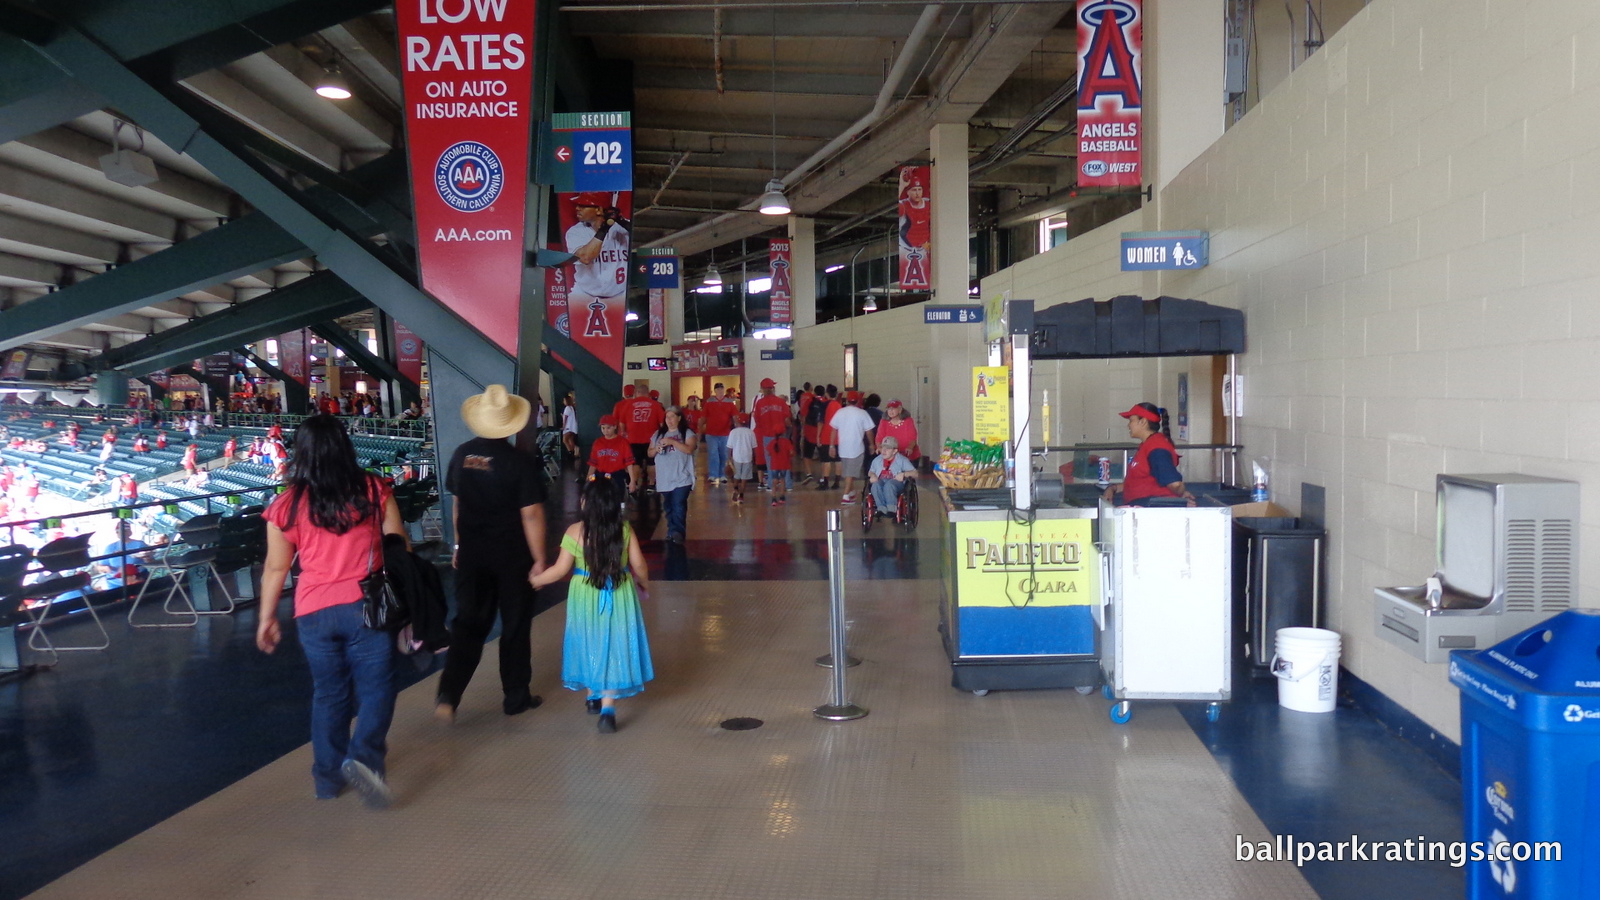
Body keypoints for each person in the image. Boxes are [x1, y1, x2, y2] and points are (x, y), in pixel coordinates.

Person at [256, 415, 406, 808]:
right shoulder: (373, 489)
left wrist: (266, 617)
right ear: (344, 446)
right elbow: (398, 543)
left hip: (313, 612)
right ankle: (364, 760)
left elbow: (276, 568)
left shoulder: (284, 506)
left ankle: (326, 779)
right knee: (376, 690)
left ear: (300, 452)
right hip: (366, 606)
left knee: (329, 695)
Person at [435, 385, 550, 723]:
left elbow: (456, 504)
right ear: (510, 424)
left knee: (468, 622)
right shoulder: (518, 462)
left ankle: (449, 694)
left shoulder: (461, 455)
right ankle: (515, 697)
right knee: (514, 624)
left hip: (472, 554)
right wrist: (540, 559)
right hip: (512, 557)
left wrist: (459, 544)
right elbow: (531, 514)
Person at [530, 476, 652, 734]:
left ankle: (592, 696)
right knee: (613, 642)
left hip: (584, 593)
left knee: (588, 639)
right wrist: (643, 583)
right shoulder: (624, 529)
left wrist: (536, 580)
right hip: (619, 590)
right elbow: (639, 564)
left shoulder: (574, 531)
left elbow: (559, 570)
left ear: (586, 502)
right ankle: (608, 708)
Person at [564, 192, 630, 349]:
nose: (577, 208)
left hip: (619, 296)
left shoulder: (623, 228)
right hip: (584, 295)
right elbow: (586, 257)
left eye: (583, 205)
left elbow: (643, 238)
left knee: (614, 348)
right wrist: (604, 229)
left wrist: (619, 220)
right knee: (576, 344)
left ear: (599, 210)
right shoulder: (576, 232)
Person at [1102, 403, 1196, 506]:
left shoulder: (1157, 447)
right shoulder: (1147, 444)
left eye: (1131, 421)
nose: (1128, 425)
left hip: (1153, 513)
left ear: (1143, 422)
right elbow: (1140, 482)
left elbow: (1175, 484)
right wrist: (1113, 488)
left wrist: (1181, 495)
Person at [648, 405, 698, 543]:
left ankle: (678, 533)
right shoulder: (658, 434)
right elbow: (649, 452)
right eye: (667, 417)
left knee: (679, 504)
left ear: (679, 418)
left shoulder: (687, 433)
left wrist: (672, 442)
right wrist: (657, 449)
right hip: (664, 477)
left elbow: (689, 449)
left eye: (672, 417)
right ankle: (671, 530)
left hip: (682, 477)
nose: (669, 420)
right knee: (668, 506)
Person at [829, 391, 876, 505]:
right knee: (851, 473)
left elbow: (833, 430)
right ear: (858, 400)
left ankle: (851, 493)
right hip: (857, 448)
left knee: (849, 472)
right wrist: (871, 444)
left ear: (847, 400)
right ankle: (845, 496)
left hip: (843, 448)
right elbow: (869, 431)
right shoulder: (862, 413)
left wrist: (831, 446)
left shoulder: (840, 412)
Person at [751, 377, 789, 491]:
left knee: (769, 461)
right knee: (783, 459)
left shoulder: (760, 403)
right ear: (772, 388)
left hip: (767, 435)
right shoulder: (781, 402)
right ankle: (786, 483)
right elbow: (787, 419)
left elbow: (757, 420)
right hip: (780, 435)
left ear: (762, 389)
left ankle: (771, 484)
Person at [867, 436, 917, 516]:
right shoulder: (877, 460)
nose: (884, 451)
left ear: (895, 451)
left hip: (896, 484)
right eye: (882, 447)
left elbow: (915, 473)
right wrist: (873, 475)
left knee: (889, 485)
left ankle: (891, 508)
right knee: (875, 485)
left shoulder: (902, 460)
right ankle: (881, 508)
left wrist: (904, 474)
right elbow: (871, 471)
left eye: (888, 448)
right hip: (881, 481)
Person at [701, 382, 736, 485]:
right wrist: (699, 429)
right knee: (713, 454)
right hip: (711, 433)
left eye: (722, 389)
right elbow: (704, 417)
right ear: (715, 391)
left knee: (724, 455)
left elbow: (734, 416)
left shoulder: (729, 402)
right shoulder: (709, 402)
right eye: (718, 389)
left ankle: (722, 475)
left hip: (725, 433)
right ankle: (713, 474)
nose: (720, 391)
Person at [587, 415, 632, 492]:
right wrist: (588, 479)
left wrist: (632, 481)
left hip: (617, 475)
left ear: (615, 427)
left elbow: (629, 463)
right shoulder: (598, 442)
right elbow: (593, 463)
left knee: (618, 498)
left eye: (608, 428)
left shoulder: (622, 442)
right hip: (601, 475)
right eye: (603, 428)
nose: (605, 431)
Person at [813, 385, 841, 490]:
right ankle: (837, 483)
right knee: (838, 460)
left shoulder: (824, 405)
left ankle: (825, 483)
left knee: (826, 461)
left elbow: (821, 422)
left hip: (826, 436)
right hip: (838, 437)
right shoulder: (839, 405)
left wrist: (818, 436)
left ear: (827, 394)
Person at [876, 400, 920, 466]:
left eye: (893, 408)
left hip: (907, 455)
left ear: (900, 409)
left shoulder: (908, 421)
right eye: (889, 409)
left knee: (908, 473)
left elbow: (912, 437)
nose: (890, 411)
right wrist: (879, 447)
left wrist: (910, 447)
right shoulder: (884, 422)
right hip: (890, 455)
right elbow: (879, 437)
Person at [726, 412, 757, 505]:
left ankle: (735, 488)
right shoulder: (750, 432)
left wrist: (729, 458)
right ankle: (741, 495)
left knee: (736, 475)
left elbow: (729, 447)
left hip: (736, 457)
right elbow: (754, 447)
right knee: (744, 477)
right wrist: (754, 458)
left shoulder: (733, 432)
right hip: (748, 457)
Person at [766, 421, 796, 508]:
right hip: (784, 464)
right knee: (782, 480)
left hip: (774, 465)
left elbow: (768, 453)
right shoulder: (786, 442)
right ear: (784, 432)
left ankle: (773, 498)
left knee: (774, 481)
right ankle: (782, 497)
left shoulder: (772, 442)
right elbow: (791, 452)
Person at [561, 393, 579, 462]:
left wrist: (563, 426)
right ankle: (575, 452)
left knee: (565, 440)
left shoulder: (567, 408)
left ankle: (570, 452)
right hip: (573, 427)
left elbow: (565, 418)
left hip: (568, 427)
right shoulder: (572, 408)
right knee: (571, 440)